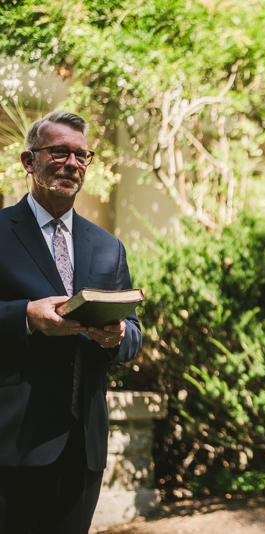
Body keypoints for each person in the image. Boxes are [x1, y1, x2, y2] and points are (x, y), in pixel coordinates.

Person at [0, 111, 142, 533]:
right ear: (29, 161)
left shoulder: (107, 246)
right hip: (11, 443)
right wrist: (25, 316)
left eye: (82, 155)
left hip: (83, 448)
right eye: (59, 151)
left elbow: (132, 333)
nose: (72, 163)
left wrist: (117, 336)